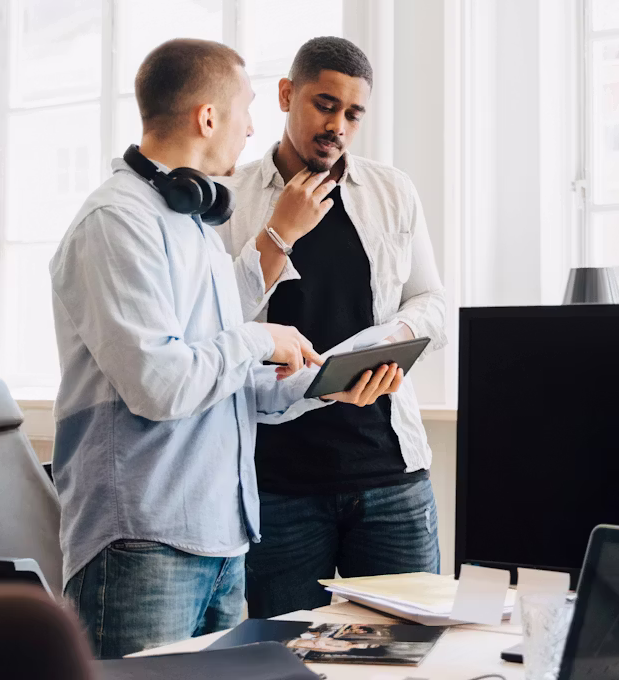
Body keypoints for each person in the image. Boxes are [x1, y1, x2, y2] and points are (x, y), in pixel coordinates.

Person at [48, 38, 403, 659]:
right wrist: (259, 337)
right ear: (208, 118)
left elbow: (227, 379)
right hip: (144, 540)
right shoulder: (115, 223)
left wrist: (322, 386)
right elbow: (161, 384)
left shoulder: (192, 224)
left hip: (219, 539)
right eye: (244, 110)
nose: (251, 128)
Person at [216, 36, 448, 619]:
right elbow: (214, 329)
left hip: (391, 475)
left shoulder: (392, 192)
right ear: (287, 95)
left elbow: (432, 301)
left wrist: (394, 343)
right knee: (289, 661)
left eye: (353, 113)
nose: (337, 125)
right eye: (324, 105)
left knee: (412, 651)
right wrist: (278, 232)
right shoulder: (229, 199)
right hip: (278, 485)